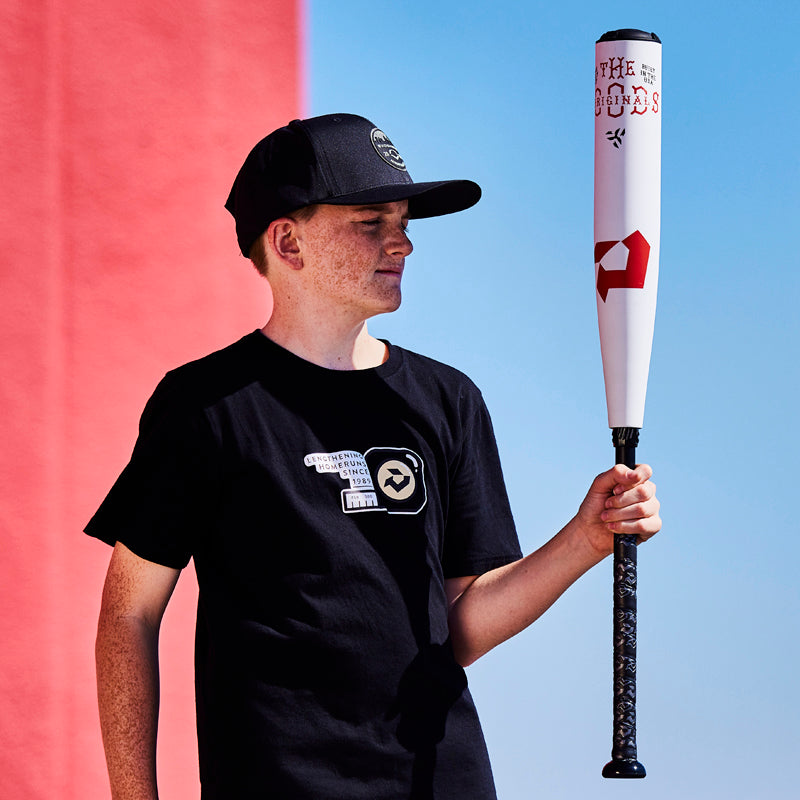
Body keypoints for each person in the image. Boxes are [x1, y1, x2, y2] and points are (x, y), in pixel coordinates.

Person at [88, 113, 661, 800]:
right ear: (288, 242)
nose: (403, 244)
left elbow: (459, 627)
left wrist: (586, 539)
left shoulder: (448, 399)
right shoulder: (204, 405)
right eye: (371, 222)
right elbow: (129, 613)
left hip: (439, 781)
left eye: (405, 222)